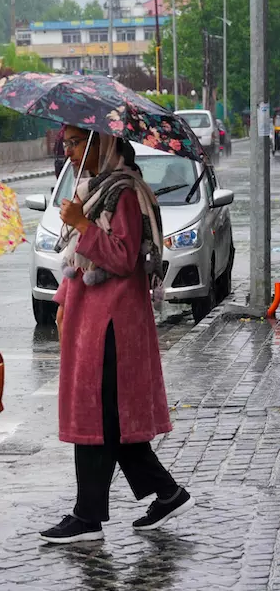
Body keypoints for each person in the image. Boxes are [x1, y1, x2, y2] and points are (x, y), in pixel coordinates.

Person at [40, 126, 193, 544]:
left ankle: (88, 516)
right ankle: (165, 493)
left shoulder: (124, 192)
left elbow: (125, 258)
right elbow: (78, 258)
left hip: (114, 324)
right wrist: (62, 300)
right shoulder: (94, 189)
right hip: (90, 319)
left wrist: (83, 224)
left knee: (102, 416)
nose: (69, 151)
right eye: (66, 143)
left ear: (101, 143)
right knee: (107, 417)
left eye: (75, 142)